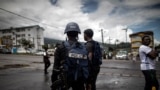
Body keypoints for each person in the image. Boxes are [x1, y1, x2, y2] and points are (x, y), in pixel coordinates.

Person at [51, 22, 89, 90]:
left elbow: (55, 68)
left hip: (65, 79)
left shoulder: (60, 47)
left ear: (67, 34)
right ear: (77, 34)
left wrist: (54, 82)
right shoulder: (83, 48)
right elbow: (88, 65)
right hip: (79, 80)